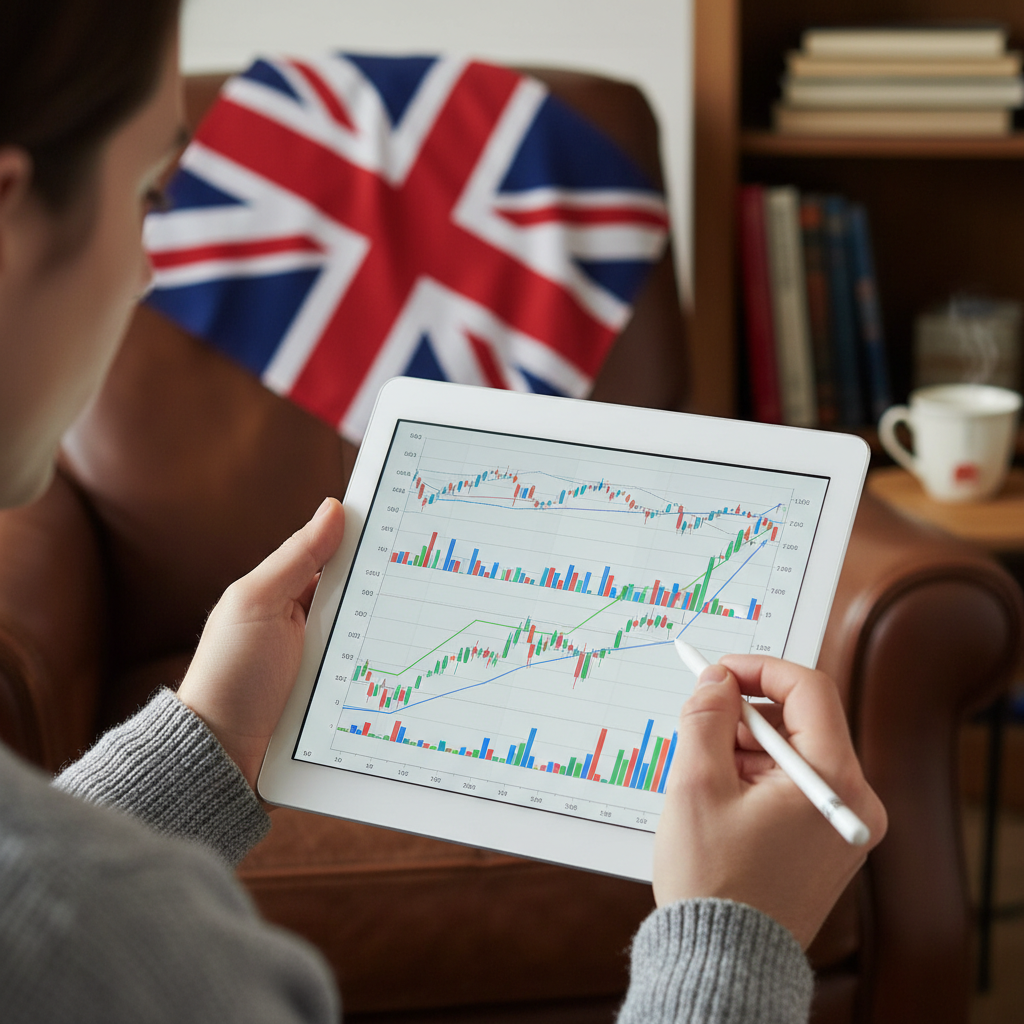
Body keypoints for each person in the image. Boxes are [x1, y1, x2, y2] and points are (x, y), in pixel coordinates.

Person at [0, 3, 887, 1021]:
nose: (152, 268)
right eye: (149, 191)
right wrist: (734, 937)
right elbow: (61, 916)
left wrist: (205, 738)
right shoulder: (177, 970)